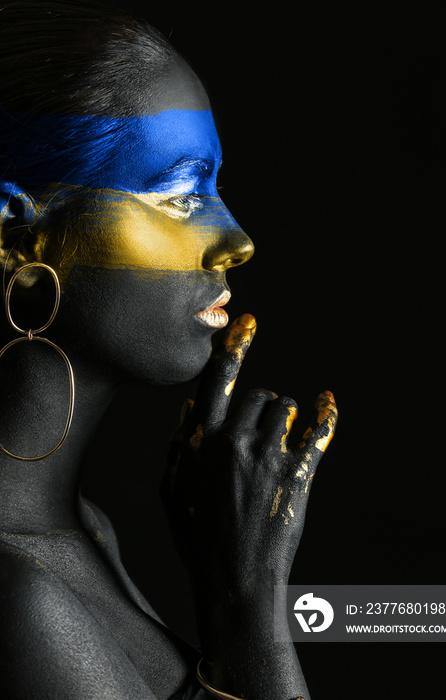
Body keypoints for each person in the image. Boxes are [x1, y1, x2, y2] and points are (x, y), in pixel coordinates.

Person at [0, 1, 337, 698]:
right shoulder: (15, 599)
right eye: (182, 195)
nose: (238, 240)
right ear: (15, 231)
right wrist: (252, 610)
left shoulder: (85, 531)